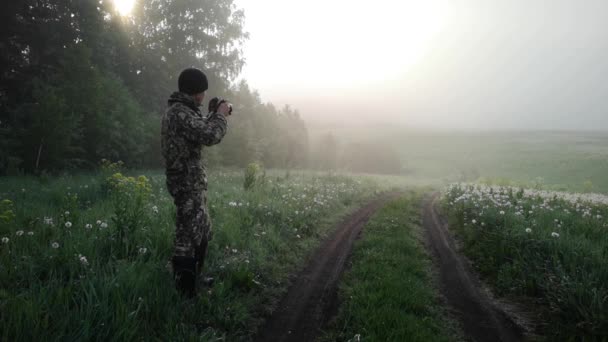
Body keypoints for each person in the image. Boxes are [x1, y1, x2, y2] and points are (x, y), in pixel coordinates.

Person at [160, 67, 232, 297]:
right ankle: (185, 292)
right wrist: (220, 115)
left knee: (200, 228)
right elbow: (209, 135)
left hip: (190, 181)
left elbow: (199, 129)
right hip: (185, 182)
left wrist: (212, 114)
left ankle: (194, 280)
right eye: (201, 92)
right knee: (187, 234)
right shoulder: (179, 113)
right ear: (195, 92)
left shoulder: (183, 111)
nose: (203, 96)